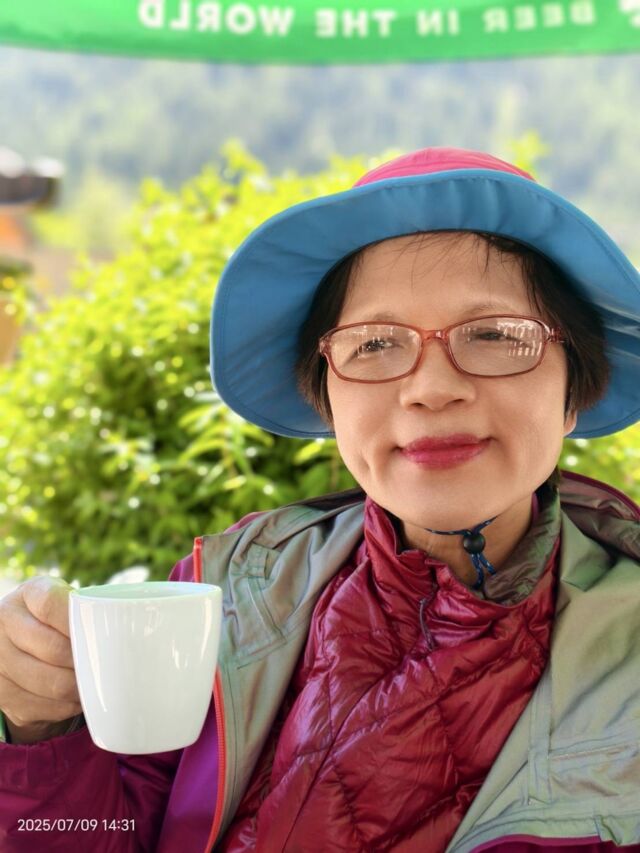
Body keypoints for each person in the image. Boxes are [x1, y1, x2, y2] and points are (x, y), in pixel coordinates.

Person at [0, 147, 639, 853]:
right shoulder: (230, 594)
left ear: (574, 392)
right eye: (374, 344)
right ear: (330, 402)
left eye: (494, 335)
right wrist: (40, 730)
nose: (431, 389)